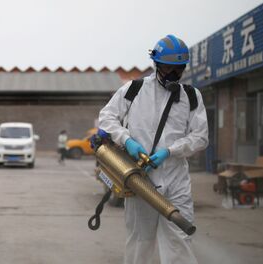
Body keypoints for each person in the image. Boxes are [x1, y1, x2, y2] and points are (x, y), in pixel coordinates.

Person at [96, 34, 208, 264]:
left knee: (179, 238)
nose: (174, 74)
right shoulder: (134, 89)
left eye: (179, 69)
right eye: (168, 68)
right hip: (140, 179)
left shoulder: (191, 96)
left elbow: (200, 137)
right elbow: (107, 118)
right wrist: (127, 140)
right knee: (140, 241)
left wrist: (171, 150)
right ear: (156, 64)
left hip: (176, 178)